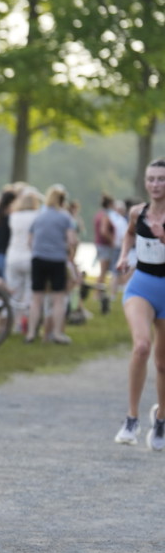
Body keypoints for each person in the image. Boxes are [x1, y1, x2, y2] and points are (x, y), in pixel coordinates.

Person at [114, 158, 165, 451]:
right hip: (142, 286)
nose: (155, 184)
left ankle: (161, 419)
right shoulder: (138, 212)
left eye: (161, 179)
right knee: (142, 346)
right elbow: (130, 232)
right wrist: (124, 255)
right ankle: (131, 418)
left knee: (162, 363)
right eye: (151, 179)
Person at [25, 184, 77, 344]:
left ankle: (31, 333)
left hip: (38, 258)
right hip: (57, 259)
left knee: (36, 298)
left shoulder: (39, 215)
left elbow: (29, 240)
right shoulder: (65, 217)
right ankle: (57, 333)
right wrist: (70, 254)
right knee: (58, 299)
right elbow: (72, 240)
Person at [5, 188, 42, 333]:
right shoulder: (36, 216)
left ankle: (12, 322)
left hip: (13, 256)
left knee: (14, 293)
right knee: (29, 294)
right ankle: (26, 323)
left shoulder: (14, 216)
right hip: (30, 257)